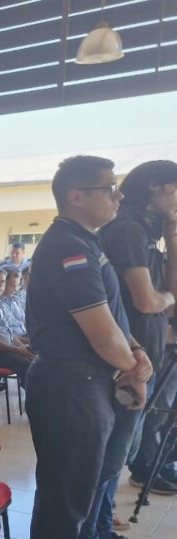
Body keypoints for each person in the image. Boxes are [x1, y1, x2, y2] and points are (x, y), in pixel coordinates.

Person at [25, 155, 152, 539]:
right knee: (65, 494)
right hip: (70, 385)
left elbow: (114, 317)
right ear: (76, 196)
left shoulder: (83, 242)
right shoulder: (67, 247)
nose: (119, 196)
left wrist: (135, 351)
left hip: (84, 383)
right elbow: (100, 332)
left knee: (70, 491)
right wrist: (132, 367)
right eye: (109, 188)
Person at [107, 160, 177, 494]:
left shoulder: (150, 233)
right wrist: (165, 298)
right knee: (114, 451)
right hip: (127, 354)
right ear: (154, 185)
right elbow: (147, 301)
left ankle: (102, 516)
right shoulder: (128, 230)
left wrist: (172, 239)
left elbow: (168, 299)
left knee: (124, 445)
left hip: (148, 349)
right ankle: (97, 521)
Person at [0, 269, 28, 337]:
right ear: (3, 284)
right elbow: (3, 331)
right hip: (12, 339)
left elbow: (24, 321)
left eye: (17, 286)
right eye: (12, 286)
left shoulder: (16, 300)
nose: (15, 289)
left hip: (24, 334)